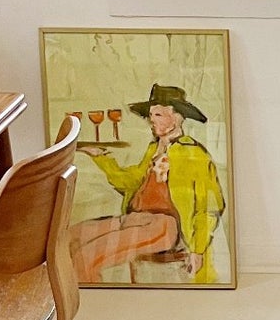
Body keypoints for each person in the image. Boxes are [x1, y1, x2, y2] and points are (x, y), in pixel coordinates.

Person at [70, 84, 226, 285]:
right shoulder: (154, 149)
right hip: (135, 218)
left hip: (164, 225)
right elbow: (129, 181)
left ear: (177, 117)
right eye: (151, 115)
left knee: (87, 257)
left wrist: (197, 249)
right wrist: (101, 156)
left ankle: (92, 308)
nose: (152, 120)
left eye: (158, 114)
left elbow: (209, 208)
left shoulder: (194, 154)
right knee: (69, 239)